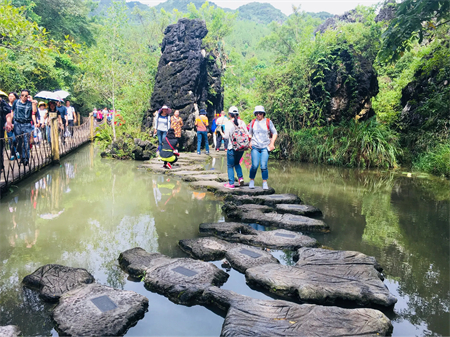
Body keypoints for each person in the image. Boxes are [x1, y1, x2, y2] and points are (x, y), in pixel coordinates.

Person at [5, 89, 38, 166]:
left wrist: (32, 101)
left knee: (26, 142)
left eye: (26, 95)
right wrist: (11, 123)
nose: (23, 97)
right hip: (17, 124)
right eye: (22, 95)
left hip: (26, 124)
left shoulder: (30, 103)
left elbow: (34, 111)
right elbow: (12, 111)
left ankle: (26, 158)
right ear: (20, 95)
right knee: (19, 142)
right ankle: (22, 157)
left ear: (28, 96)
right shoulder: (16, 102)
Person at [248, 105, 278, 190]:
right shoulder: (253, 122)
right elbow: (250, 133)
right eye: (257, 113)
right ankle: (252, 180)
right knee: (254, 165)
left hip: (265, 146)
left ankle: (264, 182)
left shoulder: (268, 122)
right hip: (255, 146)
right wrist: (249, 141)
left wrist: (272, 143)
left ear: (263, 114)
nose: (258, 115)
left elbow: (275, 133)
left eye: (260, 113)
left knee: (264, 165)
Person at [223, 106, 248, 189]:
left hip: (232, 147)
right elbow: (247, 134)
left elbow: (226, 136)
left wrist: (221, 133)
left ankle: (231, 183)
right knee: (237, 163)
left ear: (229, 114)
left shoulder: (228, 123)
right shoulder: (242, 122)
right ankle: (240, 178)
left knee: (230, 165)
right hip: (241, 147)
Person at [7, 92, 18, 160]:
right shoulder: (6, 105)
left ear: (15, 97)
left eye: (12, 96)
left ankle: (17, 151)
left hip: (16, 124)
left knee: (15, 139)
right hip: (8, 125)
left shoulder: (18, 105)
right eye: (9, 96)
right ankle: (13, 154)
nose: (10, 97)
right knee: (10, 139)